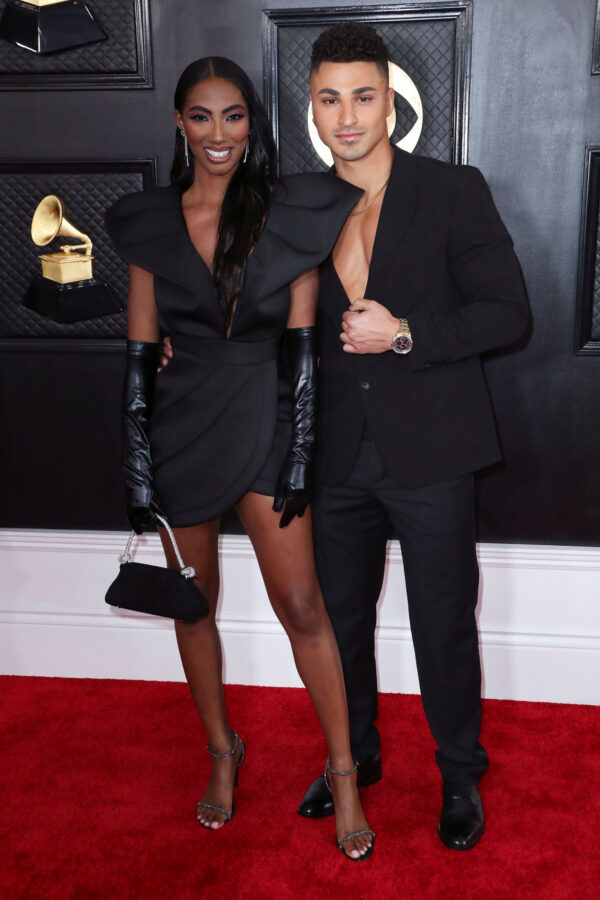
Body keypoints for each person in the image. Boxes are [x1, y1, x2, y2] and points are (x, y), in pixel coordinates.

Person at [105, 56, 375, 861]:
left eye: (233, 117)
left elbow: (302, 351)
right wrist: (137, 465)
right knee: (195, 606)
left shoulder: (290, 211)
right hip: (184, 427)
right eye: (200, 116)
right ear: (180, 124)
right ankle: (223, 752)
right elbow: (137, 352)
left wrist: (298, 456)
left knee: (302, 608)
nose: (218, 133)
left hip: (264, 420)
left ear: (253, 124)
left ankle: (345, 771)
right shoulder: (148, 220)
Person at [295, 23, 531, 850]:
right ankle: (352, 759)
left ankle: (461, 775)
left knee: (442, 621)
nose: (347, 115)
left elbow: (508, 313)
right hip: (334, 453)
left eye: (363, 95)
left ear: (390, 103)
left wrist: (403, 333)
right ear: (314, 107)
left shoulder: (451, 188)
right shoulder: (298, 203)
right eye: (330, 97)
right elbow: (260, 318)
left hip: (432, 448)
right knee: (340, 621)